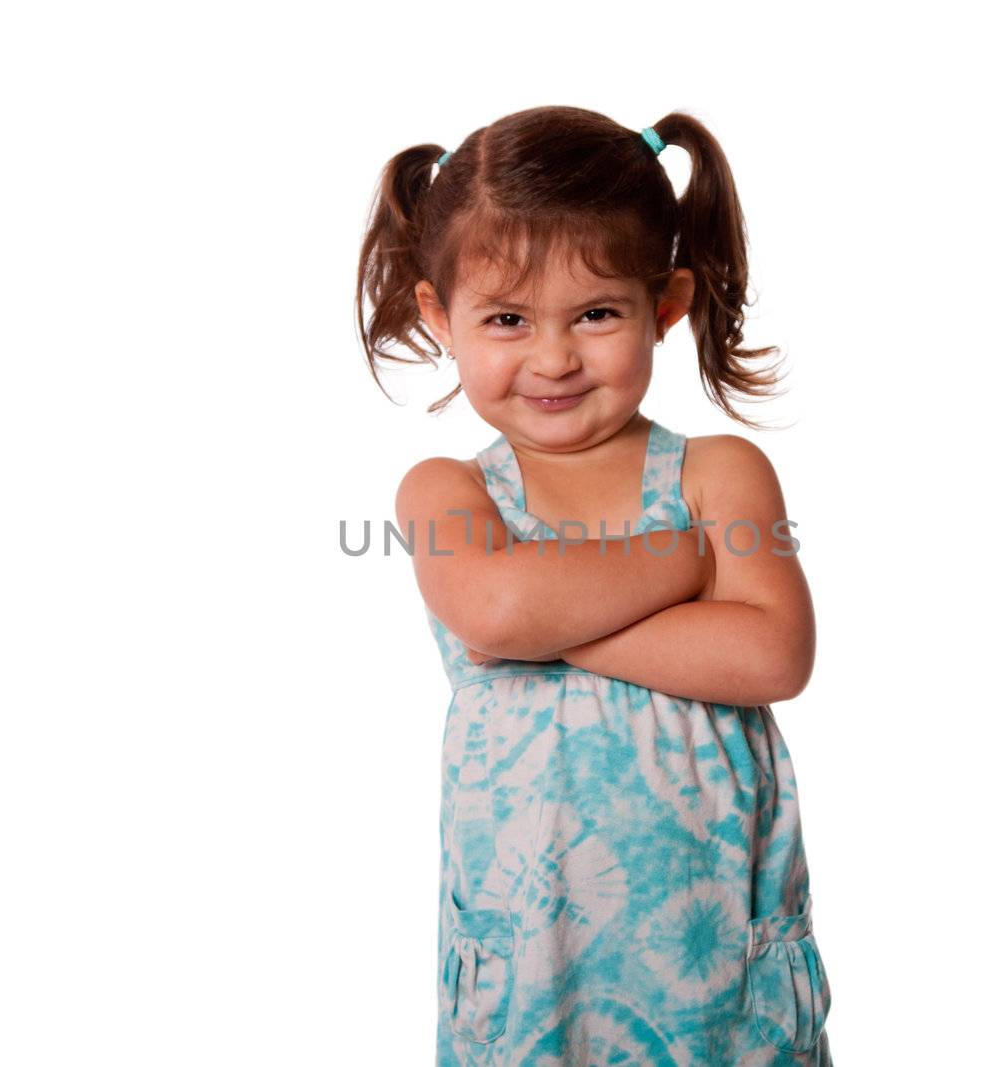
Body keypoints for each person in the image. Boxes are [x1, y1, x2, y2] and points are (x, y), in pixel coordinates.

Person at [356, 105, 833, 1066]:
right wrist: (692, 565)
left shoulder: (717, 474)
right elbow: (492, 608)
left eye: (597, 313)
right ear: (439, 317)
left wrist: (544, 617)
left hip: (716, 957)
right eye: (506, 319)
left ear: (664, 304)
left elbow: (773, 652)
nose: (555, 356)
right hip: (531, 961)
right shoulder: (448, 489)